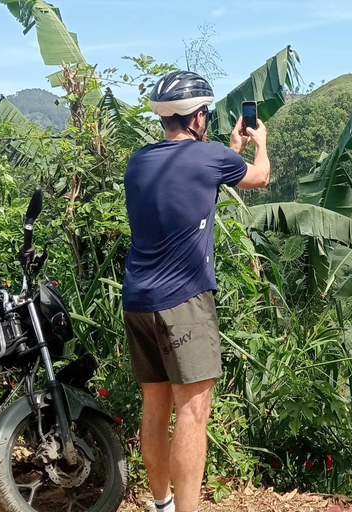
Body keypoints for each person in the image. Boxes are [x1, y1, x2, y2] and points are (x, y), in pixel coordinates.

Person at [121, 71, 269, 512]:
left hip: (137, 302)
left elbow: (193, 178)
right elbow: (259, 178)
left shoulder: (139, 160)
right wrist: (258, 142)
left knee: (155, 405)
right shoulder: (209, 159)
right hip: (183, 302)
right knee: (192, 411)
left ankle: (162, 505)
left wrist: (229, 151)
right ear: (198, 117)